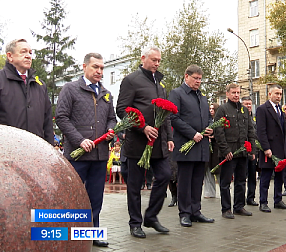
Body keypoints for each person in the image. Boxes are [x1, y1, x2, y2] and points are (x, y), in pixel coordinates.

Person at [55, 53, 116, 247]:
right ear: (84, 67)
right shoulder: (70, 89)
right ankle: (68, 233)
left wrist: (110, 129)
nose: (99, 71)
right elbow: (62, 118)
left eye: (101, 68)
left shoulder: (106, 93)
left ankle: (92, 232)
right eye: (95, 67)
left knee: (95, 197)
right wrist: (80, 140)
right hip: (77, 156)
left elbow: (112, 118)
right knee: (73, 195)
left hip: (99, 155)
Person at [116, 46, 173, 238]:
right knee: (135, 185)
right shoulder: (131, 80)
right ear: (143, 58)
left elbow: (165, 115)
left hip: (158, 144)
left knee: (165, 175)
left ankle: (151, 216)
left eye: (159, 61)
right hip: (137, 143)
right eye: (154, 60)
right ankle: (135, 223)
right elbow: (122, 110)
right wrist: (142, 127)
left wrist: (169, 138)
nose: (157, 63)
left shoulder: (160, 84)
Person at [169, 64, 215, 227]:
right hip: (185, 146)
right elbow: (174, 118)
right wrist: (192, 133)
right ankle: (185, 213)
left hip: (201, 146)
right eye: (195, 78)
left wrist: (210, 127)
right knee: (185, 182)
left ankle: (196, 211)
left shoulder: (202, 97)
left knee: (197, 181)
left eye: (200, 79)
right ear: (186, 76)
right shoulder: (177, 94)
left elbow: (208, 118)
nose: (198, 81)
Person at [214, 85, 256, 219]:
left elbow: (250, 130)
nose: (236, 95)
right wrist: (225, 150)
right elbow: (219, 132)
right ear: (227, 94)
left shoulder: (244, 110)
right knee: (225, 182)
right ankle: (226, 209)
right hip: (229, 153)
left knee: (241, 180)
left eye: (238, 93)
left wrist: (252, 150)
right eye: (233, 93)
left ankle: (239, 206)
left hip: (242, 152)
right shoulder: (222, 110)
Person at [0, 39, 53, 144]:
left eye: (30, 52)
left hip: (37, 149)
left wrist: (50, 148)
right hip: (7, 150)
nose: (28, 56)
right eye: (23, 52)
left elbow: (47, 123)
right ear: (10, 56)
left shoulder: (40, 86)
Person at [256, 84, 286, 212]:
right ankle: (263, 202)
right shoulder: (262, 109)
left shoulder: (280, 110)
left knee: (280, 176)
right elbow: (261, 131)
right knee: (265, 177)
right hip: (269, 150)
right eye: (276, 94)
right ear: (269, 94)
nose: (279, 96)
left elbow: (284, 130)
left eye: (280, 94)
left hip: (280, 149)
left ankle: (278, 199)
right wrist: (266, 148)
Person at [241, 96, 259, 206]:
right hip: (242, 150)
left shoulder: (254, 119)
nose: (248, 106)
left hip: (253, 150)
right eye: (246, 104)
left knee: (253, 175)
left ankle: (251, 197)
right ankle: (240, 198)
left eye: (249, 104)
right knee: (242, 176)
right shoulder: (239, 117)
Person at [203, 103, 220, 198]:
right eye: (210, 108)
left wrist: (214, 136)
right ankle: (209, 192)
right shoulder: (207, 121)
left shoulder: (219, 120)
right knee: (208, 170)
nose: (211, 110)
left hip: (216, 149)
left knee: (218, 171)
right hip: (208, 149)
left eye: (213, 109)